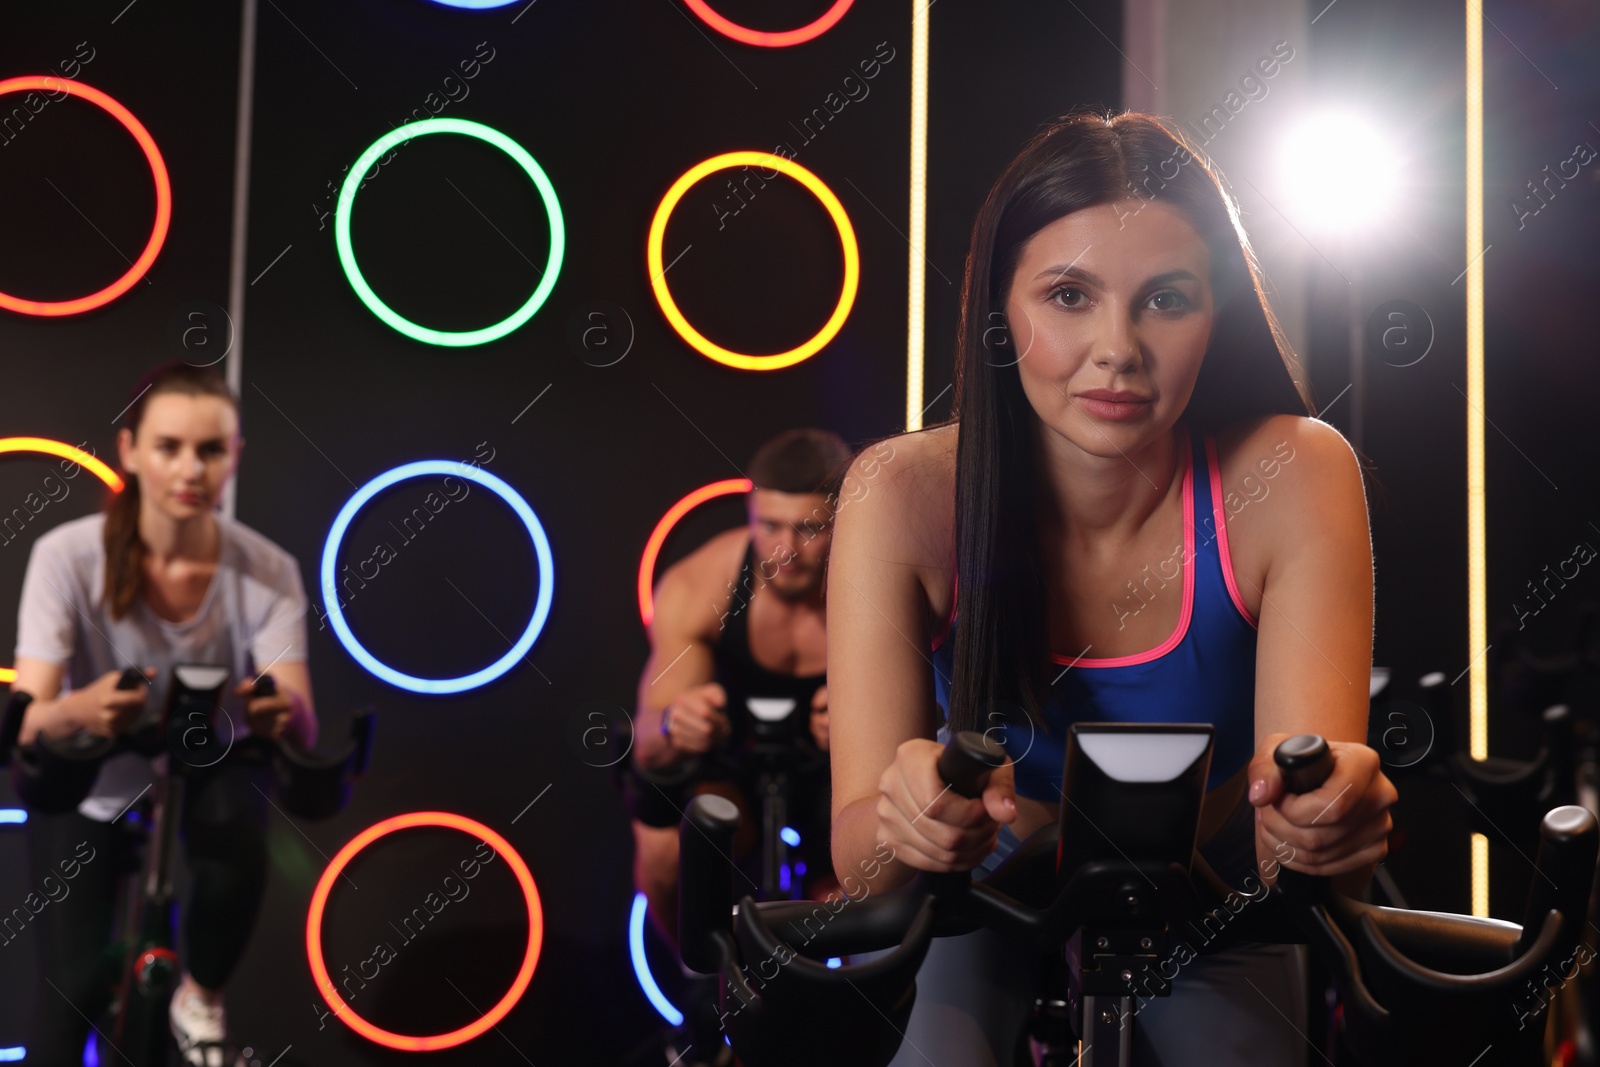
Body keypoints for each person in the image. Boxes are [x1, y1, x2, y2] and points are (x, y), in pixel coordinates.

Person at [827, 111, 1398, 1066]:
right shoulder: (901, 492)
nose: (1118, 348)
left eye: (1167, 299)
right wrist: (916, 826)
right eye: (1068, 295)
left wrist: (1320, 819)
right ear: (999, 314)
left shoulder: (1295, 472)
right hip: (981, 897)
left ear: (1217, 314)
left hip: (1208, 893)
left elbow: (1279, 850)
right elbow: (863, 860)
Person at [13, 361, 316, 1067]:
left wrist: (272, 711)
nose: (190, 469)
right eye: (169, 446)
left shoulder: (268, 570)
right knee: (69, 998)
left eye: (210, 450)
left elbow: (299, 724)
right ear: (130, 451)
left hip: (207, 768)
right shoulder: (66, 556)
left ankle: (200, 994)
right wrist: (85, 708)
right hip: (93, 777)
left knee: (242, 819)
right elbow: (30, 720)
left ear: (234, 456)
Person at [631, 429, 855, 947]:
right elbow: (647, 741)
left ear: (844, 521)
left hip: (838, 772)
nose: (785, 550)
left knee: (875, 866)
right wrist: (675, 724)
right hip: (734, 763)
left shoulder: (877, 585)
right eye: (769, 525)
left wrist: (866, 723)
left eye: (809, 529)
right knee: (666, 853)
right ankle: (699, 979)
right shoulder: (699, 586)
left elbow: (934, 722)